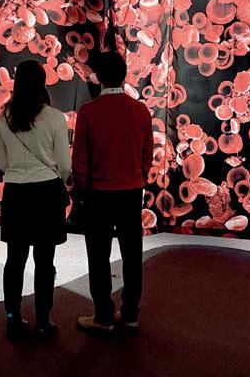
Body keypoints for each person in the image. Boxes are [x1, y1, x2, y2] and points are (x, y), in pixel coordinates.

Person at [72, 51, 154, 335]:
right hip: (131, 191)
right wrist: (139, 178)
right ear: (123, 75)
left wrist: (82, 191)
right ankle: (130, 313)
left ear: (98, 77)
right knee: (132, 254)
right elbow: (147, 153)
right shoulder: (140, 110)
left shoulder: (88, 111)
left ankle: (103, 316)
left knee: (98, 255)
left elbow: (79, 161)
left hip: (98, 193)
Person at [0, 60, 71, 341]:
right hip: (46, 192)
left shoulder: (4, 116)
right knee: (44, 260)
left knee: (14, 259)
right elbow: (64, 164)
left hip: (16, 193)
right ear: (42, 82)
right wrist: (56, 179)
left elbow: (1, 162)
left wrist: (18, 172)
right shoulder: (55, 117)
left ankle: (12, 318)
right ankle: (43, 320)